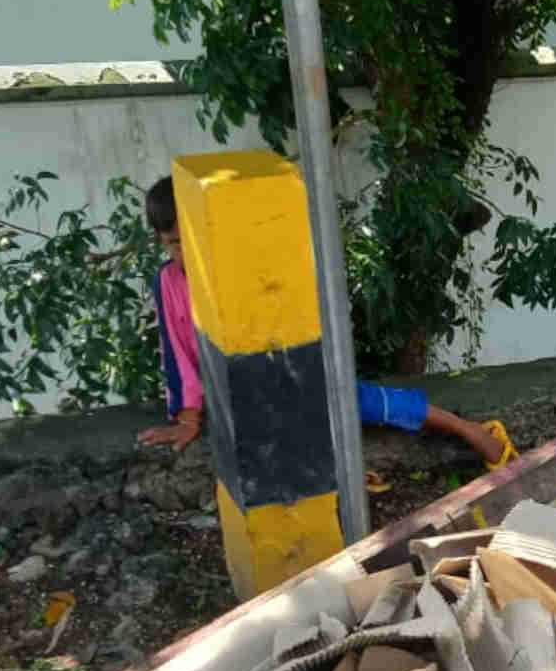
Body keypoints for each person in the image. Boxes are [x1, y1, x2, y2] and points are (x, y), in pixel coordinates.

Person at [135, 177, 517, 470]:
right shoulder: (167, 284)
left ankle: (464, 428)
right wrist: (188, 417)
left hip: (288, 376)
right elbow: (179, 355)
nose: (188, 252)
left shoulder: (241, 271)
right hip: (236, 397)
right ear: (160, 241)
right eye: (175, 243)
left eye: (195, 239)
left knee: (365, 401)